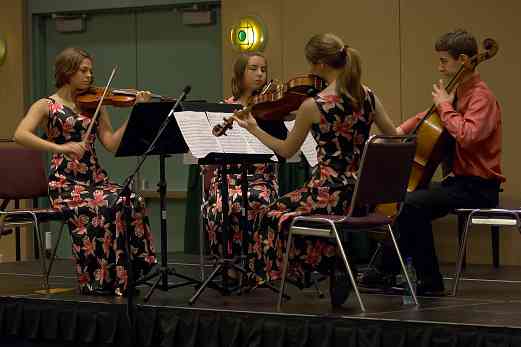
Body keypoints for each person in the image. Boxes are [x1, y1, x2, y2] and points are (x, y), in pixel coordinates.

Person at [232, 33, 397, 305]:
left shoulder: (313, 105)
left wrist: (254, 128)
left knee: (270, 214)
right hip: (363, 195)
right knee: (298, 215)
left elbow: (287, 150)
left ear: (320, 64)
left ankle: (324, 265)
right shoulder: (368, 96)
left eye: (311, 65)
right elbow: (392, 137)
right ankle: (336, 263)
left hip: (327, 194)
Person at [13, 47, 157, 296]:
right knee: (105, 206)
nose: (90, 76)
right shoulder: (47, 105)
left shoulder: (96, 104)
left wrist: (136, 112)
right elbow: (20, 135)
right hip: (66, 183)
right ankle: (97, 279)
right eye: (84, 70)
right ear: (67, 72)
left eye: (91, 70)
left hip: (94, 178)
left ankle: (125, 275)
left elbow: (111, 144)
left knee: (131, 200)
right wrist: (60, 146)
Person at [390, 29, 504, 295]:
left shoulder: (481, 97)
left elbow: (468, 136)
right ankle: (386, 271)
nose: (439, 67)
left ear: (463, 59)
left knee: (413, 204)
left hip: (478, 187)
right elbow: (427, 118)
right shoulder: (459, 93)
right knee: (406, 199)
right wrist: (396, 133)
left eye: (443, 60)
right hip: (459, 184)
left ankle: (430, 282)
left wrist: (444, 106)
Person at [203, 52, 279, 274]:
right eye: (253, 69)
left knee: (255, 200)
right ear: (240, 73)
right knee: (222, 205)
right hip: (228, 176)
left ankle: (258, 264)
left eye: (263, 69)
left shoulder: (270, 107)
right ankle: (229, 264)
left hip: (261, 177)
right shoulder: (224, 108)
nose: (260, 74)